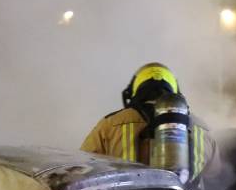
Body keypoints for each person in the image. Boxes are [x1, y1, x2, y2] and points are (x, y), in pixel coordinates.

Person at [80, 62, 217, 183]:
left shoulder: (110, 124)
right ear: (175, 90)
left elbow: (82, 169)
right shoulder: (202, 129)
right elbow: (216, 177)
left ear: (135, 90)